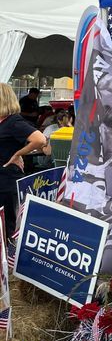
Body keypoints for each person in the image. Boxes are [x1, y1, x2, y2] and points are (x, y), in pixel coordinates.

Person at [0, 83, 46, 235]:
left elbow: (40, 139)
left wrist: (18, 154)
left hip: (6, 180)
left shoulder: (13, 122)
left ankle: (8, 254)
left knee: (7, 225)